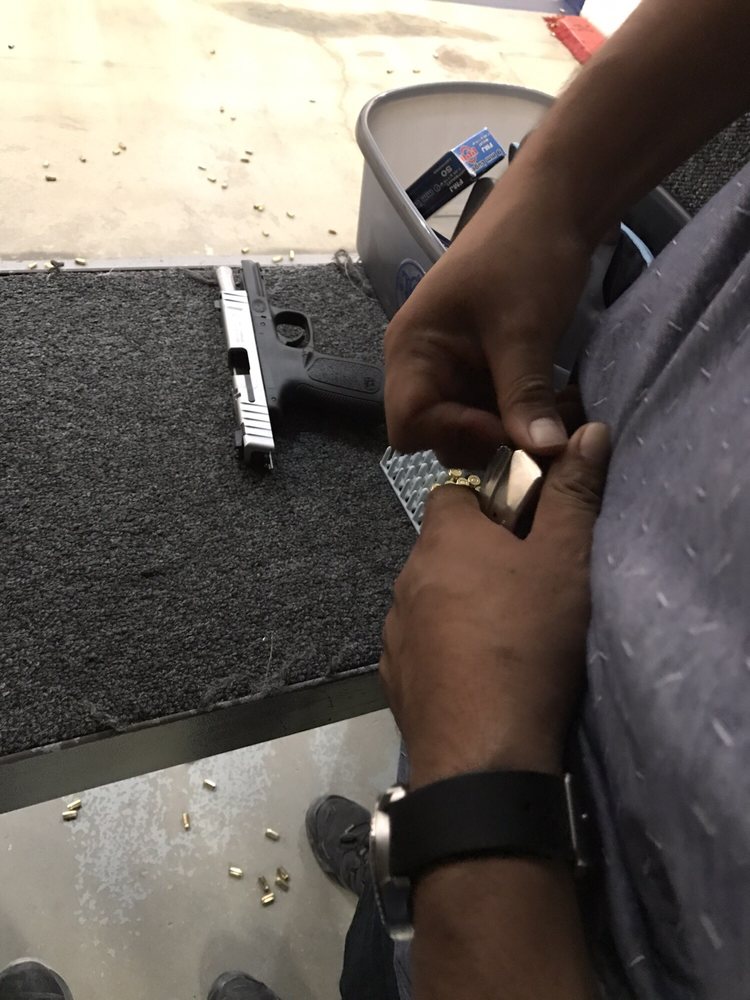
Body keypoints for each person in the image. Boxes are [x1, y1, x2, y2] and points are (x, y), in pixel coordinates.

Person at [3, 0, 748, 996]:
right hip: (478, 791)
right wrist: (559, 188)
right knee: (383, 946)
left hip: (532, 895)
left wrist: (476, 789)